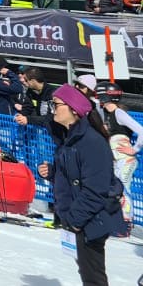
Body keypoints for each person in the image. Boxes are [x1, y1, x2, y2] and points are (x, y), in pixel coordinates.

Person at [37, 84, 127, 286]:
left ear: (73, 109)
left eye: (56, 104)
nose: (53, 109)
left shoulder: (91, 142)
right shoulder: (69, 139)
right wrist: (53, 172)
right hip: (78, 218)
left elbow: (96, 189)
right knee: (87, 272)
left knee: (93, 277)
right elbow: (73, 176)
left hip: (89, 219)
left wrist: (74, 220)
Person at [93, 81, 143, 227]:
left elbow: (141, 130)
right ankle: (116, 218)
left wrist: (135, 149)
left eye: (98, 96)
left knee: (123, 188)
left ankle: (127, 221)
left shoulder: (118, 113)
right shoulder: (107, 114)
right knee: (115, 188)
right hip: (116, 160)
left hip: (126, 159)